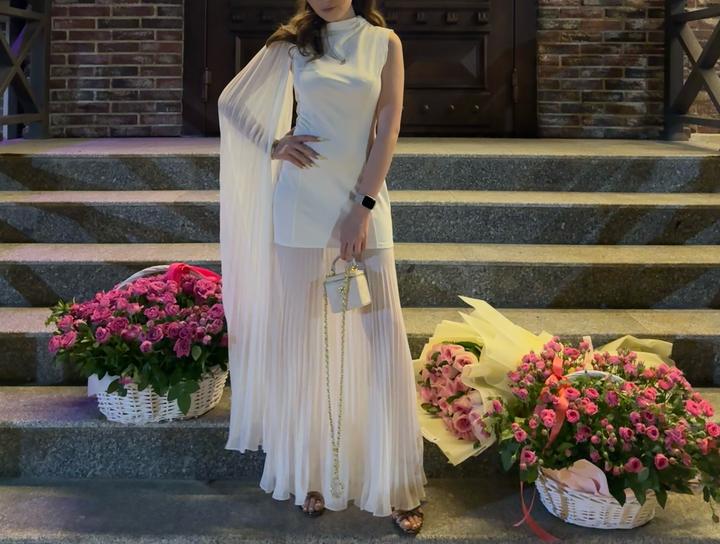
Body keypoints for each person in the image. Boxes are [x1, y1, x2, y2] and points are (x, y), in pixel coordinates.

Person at [217, 0, 426, 535]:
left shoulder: (384, 44)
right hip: (300, 206)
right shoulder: (292, 45)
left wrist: (362, 207)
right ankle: (307, 474)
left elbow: (387, 129)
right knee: (302, 342)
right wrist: (274, 144)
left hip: (361, 203)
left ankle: (394, 483)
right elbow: (231, 103)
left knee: (382, 336)